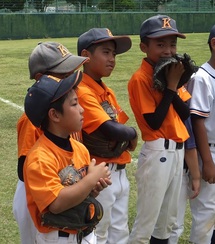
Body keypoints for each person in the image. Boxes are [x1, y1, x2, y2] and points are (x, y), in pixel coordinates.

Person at [12, 42, 89, 244]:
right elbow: (24, 171)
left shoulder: (69, 113)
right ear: (41, 79)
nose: (72, 82)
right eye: (64, 75)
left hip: (63, 187)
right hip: (39, 194)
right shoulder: (32, 120)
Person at [23, 70, 112, 244]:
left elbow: (81, 193)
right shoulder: (39, 158)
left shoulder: (79, 148)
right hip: (58, 237)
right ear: (54, 115)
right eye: (74, 104)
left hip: (85, 233)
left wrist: (94, 187)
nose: (81, 109)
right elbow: (56, 204)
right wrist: (91, 178)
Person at [127, 15, 191, 243]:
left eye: (172, 44)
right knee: (146, 223)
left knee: (167, 223)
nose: (168, 50)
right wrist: (171, 87)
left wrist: (172, 83)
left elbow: (185, 114)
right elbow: (154, 122)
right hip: (157, 153)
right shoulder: (140, 78)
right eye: (160, 44)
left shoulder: (170, 71)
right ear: (144, 47)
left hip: (178, 152)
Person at [76, 28, 138, 244]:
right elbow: (114, 130)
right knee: (98, 233)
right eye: (105, 52)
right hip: (100, 175)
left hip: (119, 172)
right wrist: (131, 133)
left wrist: (125, 134)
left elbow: (123, 136)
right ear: (86, 55)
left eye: (113, 54)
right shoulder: (82, 90)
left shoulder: (106, 90)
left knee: (120, 232)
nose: (112, 59)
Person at [187, 23, 215, 244]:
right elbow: (197, 122)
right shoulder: (202, 78)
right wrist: (207, 161)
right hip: (210, 152)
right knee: (207, 213)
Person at [169, 115, 201, 243]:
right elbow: (189, 145)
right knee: (173, 224)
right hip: (177, 168)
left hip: (160, 159)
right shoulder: (180, 103)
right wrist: (196, 176)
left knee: (162, 223)